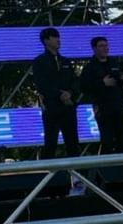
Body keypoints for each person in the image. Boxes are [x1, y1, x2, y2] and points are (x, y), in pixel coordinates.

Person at [32, 27, 80, 159]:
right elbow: (41, 84)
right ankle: (47, 171)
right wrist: (59, 95)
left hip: (68, 107)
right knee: (50, 143)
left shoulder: (65, 61)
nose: (58, 40)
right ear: (46, 40)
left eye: (58, 37)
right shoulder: (39, 61)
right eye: (55, 37)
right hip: (51, 108)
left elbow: (75, 80)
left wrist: (70, 93)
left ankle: (78, 172)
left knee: (73, 143)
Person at [81, 36, 123, 154]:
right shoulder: (89, 68)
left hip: (120, 107)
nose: (105, 48)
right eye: (101, 46)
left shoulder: (117, 63)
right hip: (103, 109)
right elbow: (84, 88)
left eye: (106, 45)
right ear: (94, 48)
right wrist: (102, 83)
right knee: (107, 140)